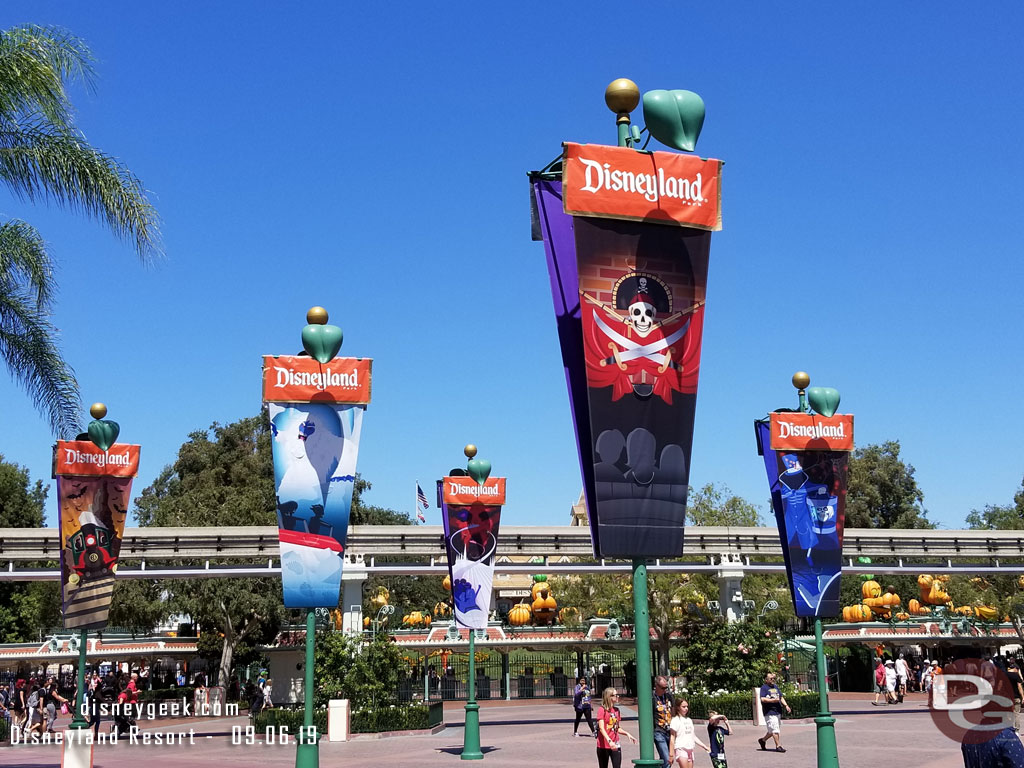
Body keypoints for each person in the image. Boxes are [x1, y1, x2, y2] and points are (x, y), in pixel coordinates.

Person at [595, 687, 637, 768]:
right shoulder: (602, 710)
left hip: (616, 744)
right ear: (609, 697)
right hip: (603, 745)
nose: (618, 697)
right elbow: (601, 728)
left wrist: (627, 733)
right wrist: (609, 741)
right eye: (615, 695)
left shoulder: (616, 710)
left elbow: (616, 728)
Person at [667, 698, 709, 768]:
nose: (686, 708)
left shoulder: (689, 720)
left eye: (687, 706)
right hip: (681, 748)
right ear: (678, 707)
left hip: (690, 748)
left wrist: (704, 746)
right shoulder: (675, 720)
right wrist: (671, 754)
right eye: (683, 707)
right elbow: (672, 737)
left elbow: (693, 736)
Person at [757, 672, 790, 752]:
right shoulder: (764, 688)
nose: (773, 680)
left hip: (777, 711)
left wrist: (786, 705)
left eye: (773, 678)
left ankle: (763, 740)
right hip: (769, 712)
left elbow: (781, 697)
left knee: (772, 730)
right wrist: (773, 700)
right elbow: (762, 699)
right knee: (775, 729)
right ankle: (778, 746)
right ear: (766, 680)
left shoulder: (775, 687)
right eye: (771, 679)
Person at [653, 676, 674, 768]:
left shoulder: (668, 696)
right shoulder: (652, 697)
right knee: (666, 760)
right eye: (663, 688)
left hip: (669, 731)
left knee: (666, 759)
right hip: (658, 731)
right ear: (656, 686)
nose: (665, 690)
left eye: (666, 687)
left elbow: (673, 710)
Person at [1007, 659, 1024, 732]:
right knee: (1016, 714)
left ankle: (1009, 728)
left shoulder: (1004, 674)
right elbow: (1019, 687)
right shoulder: (1016, 676)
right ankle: (1017, 730)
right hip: (1016, 697)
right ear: (1015, 668)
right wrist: (1023, 697)